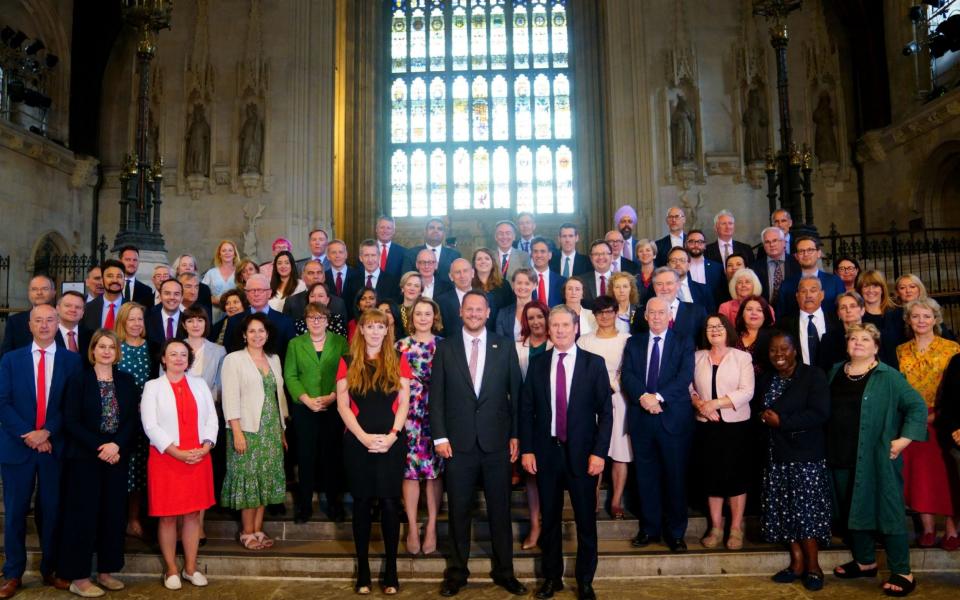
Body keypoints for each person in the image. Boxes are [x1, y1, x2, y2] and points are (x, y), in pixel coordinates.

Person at [429, 291, 526, 597]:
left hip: (496, 442)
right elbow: (437, 398)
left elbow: (517, 396)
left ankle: (505, 572)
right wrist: (440, 436)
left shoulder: (504, 345)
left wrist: (515, 435)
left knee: (500, 510)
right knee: (458, 511)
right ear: (460, 312)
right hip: (457, 445)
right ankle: (457, 573)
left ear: (487, 312)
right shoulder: (445, 347)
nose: (473, 313)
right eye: (468, 309)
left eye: (479, 309)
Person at [827, 323, 926, 597]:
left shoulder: (889, 376)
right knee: (850, 509)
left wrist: (904, 440)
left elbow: (916, 406)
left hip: (878, 455)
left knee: (889, 510)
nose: (858, 342)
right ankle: (865, 561)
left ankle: (902, 571)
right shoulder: (835, 371)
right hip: (840, 453)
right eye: (853, 338)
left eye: (865, 339)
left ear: (876, 346)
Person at [520, 305, 612, 600]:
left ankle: (585, 580)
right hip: (546, 454)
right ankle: (551, 578)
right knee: (549, 520)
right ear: (549, 329)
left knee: (586, 521)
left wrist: (599, 453)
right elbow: (527, 410)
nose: (559, 330)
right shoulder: (537, 364)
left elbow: (606, 414)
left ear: (575, 328)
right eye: (554, 325)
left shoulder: (593, 364)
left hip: (583, 456)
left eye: (564, 325)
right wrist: (528, 450)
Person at [0, 304, 82, 598]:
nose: (45, 325)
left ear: (58, 323)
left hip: (53, 448)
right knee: (15, 513)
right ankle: (12, 574)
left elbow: (70, 406)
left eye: (50, 320)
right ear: (29, 325)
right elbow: (3, 402)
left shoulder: (72, 361)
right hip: (16, 447)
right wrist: (29, 435)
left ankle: (50, 569)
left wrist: (47, 432)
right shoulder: (10, 360)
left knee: (52, 512)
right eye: (39, 320)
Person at [57, 329, 138, 597]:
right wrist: (99, 446)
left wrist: (116, 445)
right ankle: (79, 577)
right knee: (82, 517)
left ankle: (106, 571)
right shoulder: (78, 380)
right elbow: (70, 421)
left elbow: (131, 421)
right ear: (92, 351)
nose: (106, 351)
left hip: (116, 457)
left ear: (117, 353)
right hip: (85, 458)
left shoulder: (127, 381)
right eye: (101, 346)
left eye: (111, 347)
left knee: (113, 516)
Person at [336, 308, 411, 595]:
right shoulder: (347, 361)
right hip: (358, 442)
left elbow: (404, 403)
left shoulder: (398, 360)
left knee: (391, 505)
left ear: (386, 330)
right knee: (363, 504)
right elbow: (343, 406)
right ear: (362, 330)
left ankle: (391, 572)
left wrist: (393, 436)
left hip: (391, 443)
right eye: (371, 326)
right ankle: (364, 572)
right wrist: (364, 437)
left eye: (381, 326)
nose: (376, 331)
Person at [756, 331, 831, 592]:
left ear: (795, 350)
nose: (779, 355)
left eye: (784, 349)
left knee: (806, 514)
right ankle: (796, 563)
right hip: (776, 456)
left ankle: (814, 567)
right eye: (774, 351)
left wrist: (782, 422)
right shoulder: (766, 378)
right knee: (785, 512)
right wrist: (763, 418)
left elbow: (820, 414)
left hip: (805, 457)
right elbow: (761, 410)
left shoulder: (813, 376)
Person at [140, 339, 217, 590]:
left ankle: (191, 568)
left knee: (193, 514)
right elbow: (150, 425)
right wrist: (177, 452)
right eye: (172, 354)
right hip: (166, 459)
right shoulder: (153, 387)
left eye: (183, 354)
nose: (178, 358)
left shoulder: (200, 384)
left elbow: (212, 419)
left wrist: (206, 446)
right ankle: (171, 569)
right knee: (168, 517)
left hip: (198, 456)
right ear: (163, 358)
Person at [622, 297, 696, 553]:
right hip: (642, 420)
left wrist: (658, 398)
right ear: (645, 316)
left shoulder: (684, 342)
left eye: (660, 313)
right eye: (651, 313)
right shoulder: (634, 342)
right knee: (646, 478)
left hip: (673, 420)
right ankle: (649, 529)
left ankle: (675, 533)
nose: (655, 317)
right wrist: (643, 397)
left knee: (675, 478)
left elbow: (684, 376)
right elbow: (628, 375)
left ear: (669, 315)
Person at [220, 313, 289, 550]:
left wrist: (281, 430)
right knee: (249, 480)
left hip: (270, 429)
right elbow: (229, 398)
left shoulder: (274, 358)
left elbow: (277, 397)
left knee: (265, 480)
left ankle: (258, 529)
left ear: (267, 334)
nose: (257, 335)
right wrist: (236, 432)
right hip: (246, 429)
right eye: (252, 331)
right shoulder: (233, 360)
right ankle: (246, 532)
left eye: (261, 331)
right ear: (243, 334)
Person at [897, 298, 960, 550]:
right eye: (915, 316)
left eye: (926, 316)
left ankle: (952, 529)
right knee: (918, 474)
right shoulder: (900, 350)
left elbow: (957, 389)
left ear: (936, 319)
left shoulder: (952, 348)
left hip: (945, 418)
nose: (921, 321)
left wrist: (938, 415)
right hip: (911, 419)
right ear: (908, 320)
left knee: (947, 475)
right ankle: (928, 528)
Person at [689, 315, 755, 550]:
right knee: (711, 476)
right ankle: (715, 526)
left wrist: (714, 404)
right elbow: (689, 387)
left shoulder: (742, 357)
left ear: (728, 330)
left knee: (736, 477)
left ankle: (736, 527)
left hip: (735, 425)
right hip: (706, 425)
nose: (714, 330)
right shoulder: (696, 356)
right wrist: (699, 405)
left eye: (719, 326)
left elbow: (747, 391)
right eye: (710, 327)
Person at [285, 303, 350, 523]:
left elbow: (345, 373)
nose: (316, 322)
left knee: (331, 458)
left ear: (327, 320)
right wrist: (306, 399)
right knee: (306, 458)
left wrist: (333, 395)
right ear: (305, 320)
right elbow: (290, 376)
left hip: (333, 407)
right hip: (305, 408)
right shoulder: (295, 344)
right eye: (312, 317)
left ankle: (334, 504)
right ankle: (304, 506)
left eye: (320, 318)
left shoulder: (340, 342)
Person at [396, 297, 445, 555]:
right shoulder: (400, 346)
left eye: (428, 313)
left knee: (434, 474)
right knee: (410, 472)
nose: (423, 318)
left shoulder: (445, 346)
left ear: (434, 317)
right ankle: (413, 527)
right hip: (408, 416)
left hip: (435, 416)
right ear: (411, 317)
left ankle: (433, 526)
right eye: (419, 313)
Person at [577, 295, 631, 519]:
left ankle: (616, 500)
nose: (605, 316)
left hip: (619, 398)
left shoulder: (627, 339)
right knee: (595, 450)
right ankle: (594, 497)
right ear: (594, 316)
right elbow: (579, 371)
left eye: (609, 311)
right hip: (591, 401)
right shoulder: (584, 341)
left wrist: (613, 387)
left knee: (620, 453)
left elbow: (629, 369)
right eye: (600, 312)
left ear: (616, 312)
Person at [178, 304, 226, 530]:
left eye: (200, 320)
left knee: (201, 473)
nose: (195, 324)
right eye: (190, 320)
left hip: (207, 416)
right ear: (183, 324)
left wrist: (202, 401)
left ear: (206, 324)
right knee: (180, 471)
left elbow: (219, 384)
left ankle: (198, 527)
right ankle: (179, 526)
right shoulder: (174, 348)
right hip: (177, 417)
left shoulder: (218, 351)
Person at [514, 300, 551, 549]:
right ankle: (535, 524)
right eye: (531, 318)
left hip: (551, 417)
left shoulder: (557, 345)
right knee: (531, 474)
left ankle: (548, 525)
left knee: (549, 474)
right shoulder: (518, 348)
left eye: (540, 316)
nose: (536, 321)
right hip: (525, 415)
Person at [113, 302, 151, 540]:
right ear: (123, 322)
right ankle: (116, 518)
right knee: (120, 469)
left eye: (140, 319)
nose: (136, 324)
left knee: (139, 470)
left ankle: (134, 518)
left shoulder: (152, 348)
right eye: (132, 319)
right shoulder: (114, 347)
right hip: (119, 419)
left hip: (146, 420)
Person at [777, 276, 841, 369]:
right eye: (803, 291)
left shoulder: (837, 322)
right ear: (797, 296)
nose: (808, 295)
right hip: (798, 380)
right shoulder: (784, 325)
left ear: (822, 295)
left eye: (813, 290)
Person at [631, 267, 707, 344]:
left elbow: (704, 342)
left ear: (678, 285)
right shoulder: (641, 313)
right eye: (659, 284)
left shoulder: (697, 312)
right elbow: (636, 343)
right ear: (654, 287)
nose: (664, 288)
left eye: (669, 283)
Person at [777, 236, 846, 316]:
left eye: (810, 250)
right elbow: (781, 316)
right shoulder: (787, 284)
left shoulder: (835, 282)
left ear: (819, 253)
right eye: (801, 251)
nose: (805, 254)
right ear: (796, 256)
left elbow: (842, 310)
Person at [0, 274, 56, 356]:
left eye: (44, 289)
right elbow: (6, 354)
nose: (39, 292)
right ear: (29, 293)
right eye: (34, 289)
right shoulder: (15, 321)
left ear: (53, 292)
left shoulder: (63, 318)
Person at [283, 259, 349, 328]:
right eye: (311, 273)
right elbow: (285, 330)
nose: (315, 276)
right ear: (302, 277)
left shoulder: (338, 303)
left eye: (319, 272)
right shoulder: (291, 302)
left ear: (324, 277)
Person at [402, 218, 462, 283]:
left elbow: (458, 280)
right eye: (432, 228)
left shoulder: (454, 255)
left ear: (444, 233)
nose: (435, 231)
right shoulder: (411, 254)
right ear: (425, 232)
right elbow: (406, 280)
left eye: (439, 229)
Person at [754, 226, 801, 309]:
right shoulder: (755, 268)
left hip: (792, 313)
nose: (771, 245)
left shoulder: (797, 264)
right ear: (763, 245)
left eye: (775, 240)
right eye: (767, 242)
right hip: (765, 314)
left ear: (783, 242)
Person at [663, 246, 716, 313]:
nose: (678, 264)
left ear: (689, 265)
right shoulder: (660, 289)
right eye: (673, 261)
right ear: (668, 266)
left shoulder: (703, 289)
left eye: (682, 260)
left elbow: (711, 315)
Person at [735, 295, 776, 376]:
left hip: (762, 385)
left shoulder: (774, 337)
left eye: (759, 310)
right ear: (742, 313)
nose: (754, 313)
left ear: (765, 315)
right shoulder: (732, 334)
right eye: (749, 309)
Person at [82, 261, 125, 333]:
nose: (115, 280)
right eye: (110, 276)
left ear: (124, 280)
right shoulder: (87, 309)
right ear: (102, 280)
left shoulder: (133, 309)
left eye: (119, 276)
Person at [435, 258, 476, 335]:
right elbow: (439, 330)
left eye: (465, 271)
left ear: (472, 273)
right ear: (451, 276)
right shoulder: (440, 302)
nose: (462, 276)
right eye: (457, 272)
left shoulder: (486, 298)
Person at [685, 229, 727, 303]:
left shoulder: (717, 268)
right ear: (686, 244)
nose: (696, 245)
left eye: (700, 242)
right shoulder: (681, 268)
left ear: (705, 245)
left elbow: (722, 294)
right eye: (691, 242)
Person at [495, 268, 536, 341]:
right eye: (519, 283)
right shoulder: (503, 313)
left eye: (527, 283)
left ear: (535, 286)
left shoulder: (544, 311)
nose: (522, 287)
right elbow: (500, 342)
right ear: (513, 285)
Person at [201, 240, 239, 319]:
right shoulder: (211, 273)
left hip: (236, 312)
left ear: (234, 254)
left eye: (230, 250)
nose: (227, 253)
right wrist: (213, 300)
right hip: (214, 313)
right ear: (219, 254)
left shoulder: (240, 272)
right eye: (224, 250)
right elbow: (202, 292)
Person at [357, 238, 401, 303]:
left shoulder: (392, 281)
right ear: (360, 258)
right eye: (366, 255)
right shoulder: (353, 281)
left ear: (379, 256)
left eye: (373, 255)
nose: (370, 260)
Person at [472, 247, 512, 312]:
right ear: (474, 263)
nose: (483, 261)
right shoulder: (469, 285)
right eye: (479, 259)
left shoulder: (504, 285)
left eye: (487, 259)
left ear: (492, 263)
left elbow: (509, 309)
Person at [529, 237, 566, 307]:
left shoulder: (562, 281)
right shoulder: (524, 279)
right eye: (535, 251)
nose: (539, 255)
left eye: (542, 251)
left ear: (550, 255)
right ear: (531, 254)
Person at [55, 291, 92, 358]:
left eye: (78, 307)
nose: (73, 310)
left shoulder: (91, 336)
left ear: (82, 313)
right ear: (57, 309)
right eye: (68, 306)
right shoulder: (48, 334)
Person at [325, 240, 363, 304]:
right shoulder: (324, 277)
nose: (337, 256)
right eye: (333, 252)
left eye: (341, 252)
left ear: (346, 255)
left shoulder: (358, 275)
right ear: (328, 256)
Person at [581, 240, 614, 310]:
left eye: (604, 253)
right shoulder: (581, 281)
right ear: (591, 258)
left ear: (611, 256)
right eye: (596, 254)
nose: (600, 257)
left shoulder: (620, 280)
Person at [397, 271, 424, 337]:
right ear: (402, 288)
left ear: (420, 291)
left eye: (416, 286)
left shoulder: (425, 311)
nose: (412, 288)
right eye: (409, 284)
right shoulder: (394, 310)